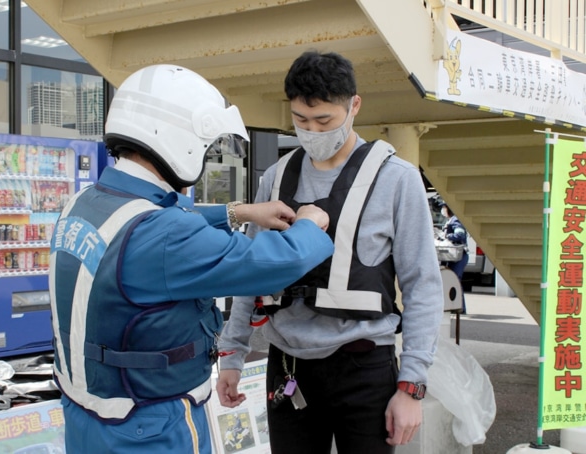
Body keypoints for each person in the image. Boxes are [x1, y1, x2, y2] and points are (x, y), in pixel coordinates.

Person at [48, 64, 335, 454]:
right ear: (178, 139)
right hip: (149, 427)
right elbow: (270, 265)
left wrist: (241, 212)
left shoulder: (86, 203)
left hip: (88, 416)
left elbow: (155, 222)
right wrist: (309, 225)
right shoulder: (163, 236)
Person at [216, 50, 444, 454]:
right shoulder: (275, 178)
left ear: (354, 106)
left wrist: (411, 385)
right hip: (287, 365)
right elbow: (249, 275)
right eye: (301, 121)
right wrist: (232, 355)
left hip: (364, 365)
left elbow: (423, 285)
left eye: (324, 121)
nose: (312, 131)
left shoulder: (397, 179)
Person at [438, 200, 469, 312]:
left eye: (444, 207)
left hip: (459, 256)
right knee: (453, 280)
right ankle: (457, 306)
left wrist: (447, 235)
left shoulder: (455, 220)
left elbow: (460, 234)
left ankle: (460, 308)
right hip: (454, 256)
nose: (443, 210)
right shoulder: (450, 220)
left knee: (455, 280)